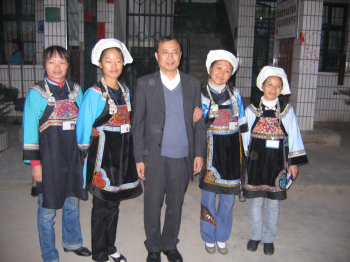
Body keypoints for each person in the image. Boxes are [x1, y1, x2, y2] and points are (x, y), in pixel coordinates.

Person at [131, 36, 207, 262]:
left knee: (175, 204)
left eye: (175, 52)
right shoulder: (145, 84)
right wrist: (138, 158)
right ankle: (153, 246)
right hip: (153, 156)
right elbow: (138, 124)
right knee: (152, 203)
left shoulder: (193, 84)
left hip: (182, 155)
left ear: (180, 56)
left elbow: (199, 122)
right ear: (157, 56)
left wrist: (199, 153)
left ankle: (170, 244)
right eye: (165, 52)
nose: (170, 56)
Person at [76, 38, 143, 262]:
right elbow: (84, 128)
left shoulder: (125, 90)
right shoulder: (94, 93)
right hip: (102, 160)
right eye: (108, 61)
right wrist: (84, 161)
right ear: (100, 64)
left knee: (114, 205)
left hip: (121, 158)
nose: (114, 65)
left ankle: (111, 246)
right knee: (101, 207)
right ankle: (99, 253)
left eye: (118, 61)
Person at [22, 46, 91, 262]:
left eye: (62, 62)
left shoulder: (76, 90)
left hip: (72, 158)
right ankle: (49, 255)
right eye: (52, 62)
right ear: (45, 65)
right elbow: (30, 129)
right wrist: (35, 164)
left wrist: (86, 154)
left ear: (68, 65)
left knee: (72, 202)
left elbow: (85, 123)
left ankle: (72, 242)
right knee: (47, 210)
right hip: (48, 161)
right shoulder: (36, 93)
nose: (57, 67)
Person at [242, 66, 308, 255]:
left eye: (278, 86)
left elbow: (294, 136)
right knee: (255, 202)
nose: (273, 89)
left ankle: (269, 238)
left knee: (273, 203)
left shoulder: (287, 111)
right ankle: (255, 236)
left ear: (282, 88)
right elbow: (245, 137)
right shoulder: (252, 110)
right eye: (269, 84)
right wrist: (245, 162)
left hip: (277, 164)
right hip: (255, 164)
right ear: (262, 85)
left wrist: (293, 162)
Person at [199, 50, 248, 255]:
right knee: (208, 199)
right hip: (210, 152)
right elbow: (195, 126)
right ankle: (208, 237)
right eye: (219, 68)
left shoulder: (235, 94)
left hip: (232, 153)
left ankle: (222, 237)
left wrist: (245, 152)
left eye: (227, 70)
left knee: (228, 199)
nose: (222, 73)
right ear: (210, 68)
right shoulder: (199, 94)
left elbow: (243, 123)